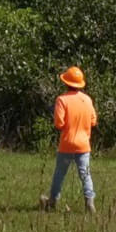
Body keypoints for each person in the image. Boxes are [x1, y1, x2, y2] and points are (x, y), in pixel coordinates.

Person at [40, 66, 97, 214]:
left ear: (66, 83)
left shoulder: (62, 100)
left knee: (59, 174)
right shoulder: (87, 100)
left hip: (66, 144)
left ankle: (52, 202)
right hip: (84, 145)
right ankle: (90, 203)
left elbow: (59, 124)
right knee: (85, 175)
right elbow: (93, 121)